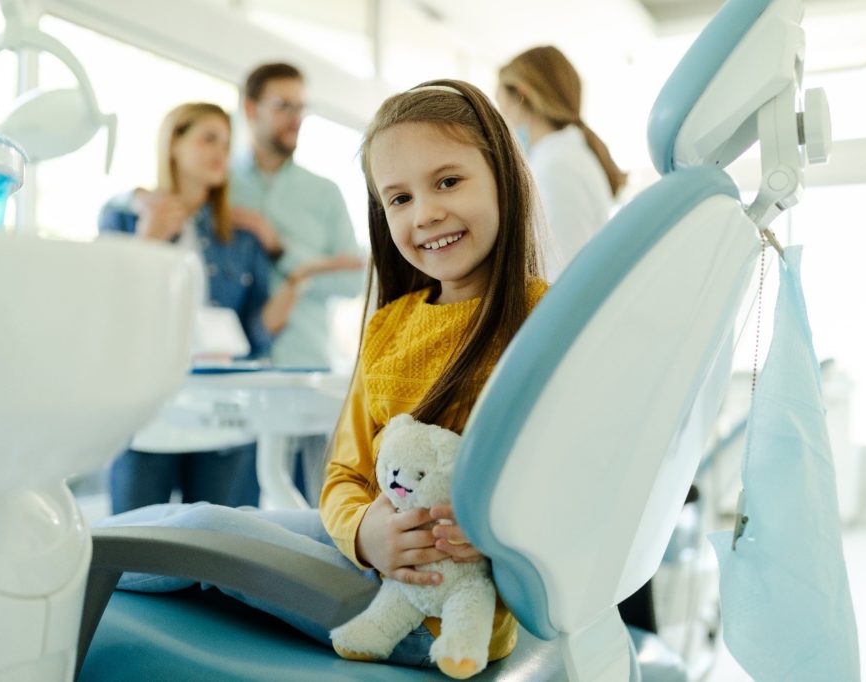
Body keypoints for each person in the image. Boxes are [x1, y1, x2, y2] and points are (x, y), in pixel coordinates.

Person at [98, 78, 548, 669]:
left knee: (206, 528)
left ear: (503, 177)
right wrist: (365, 533)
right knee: (232, 520)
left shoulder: (543, 319)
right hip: (371, 556)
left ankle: (68, 563)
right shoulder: (389, 326)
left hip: (423, 615)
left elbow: (563, 480)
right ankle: (74, 554)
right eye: (399, 199)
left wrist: (495, 533)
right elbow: (344, 474)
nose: (427, 213)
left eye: (448, 181)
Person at [99, 102, 332, 513]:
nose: (220, 153)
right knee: (132, 553)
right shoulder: (125, 215)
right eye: (208, 139)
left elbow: (252, 334)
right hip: (148, 411)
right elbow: (107, 310)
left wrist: (292, 287)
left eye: (226, 143)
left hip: (226, 413)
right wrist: (148, 239)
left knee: (219, 554)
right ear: (174, 143)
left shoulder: (239, 237)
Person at [230, 62, 365, 369]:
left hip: (305, 365)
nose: (296, 120)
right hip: (229, 367)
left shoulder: (325, 192)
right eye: (283, 107)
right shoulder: (219, 187)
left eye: (301, 108)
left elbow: (353, 281)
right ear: (251, 109)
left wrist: (281, 251)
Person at [496, 45, 627, 279]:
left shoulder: (557, 166)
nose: (504, 121)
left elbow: (563, 271)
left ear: (522, 95)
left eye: (502, 105)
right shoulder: (560, 156)